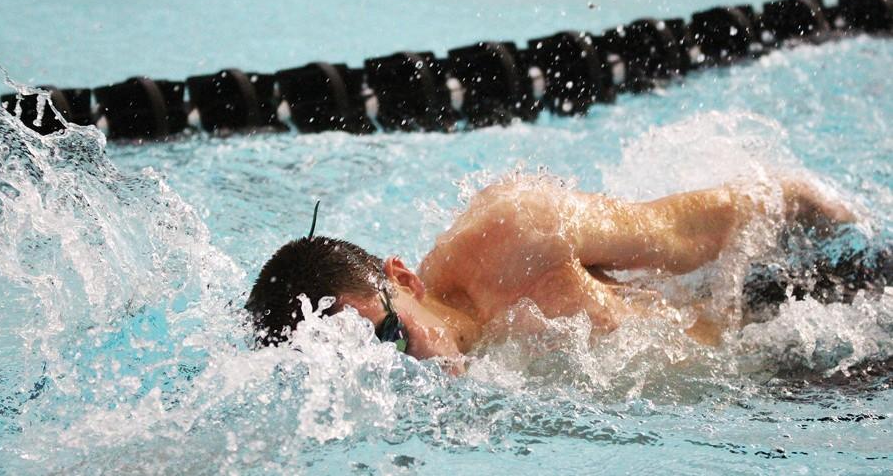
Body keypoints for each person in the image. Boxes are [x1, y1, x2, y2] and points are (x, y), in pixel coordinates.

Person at [245, 175, 857, 363]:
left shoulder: (517, 235)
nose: (400, 369)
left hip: (807, 320)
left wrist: (848, 220)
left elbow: (702, 226)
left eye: (388, 335)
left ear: (402, 280)